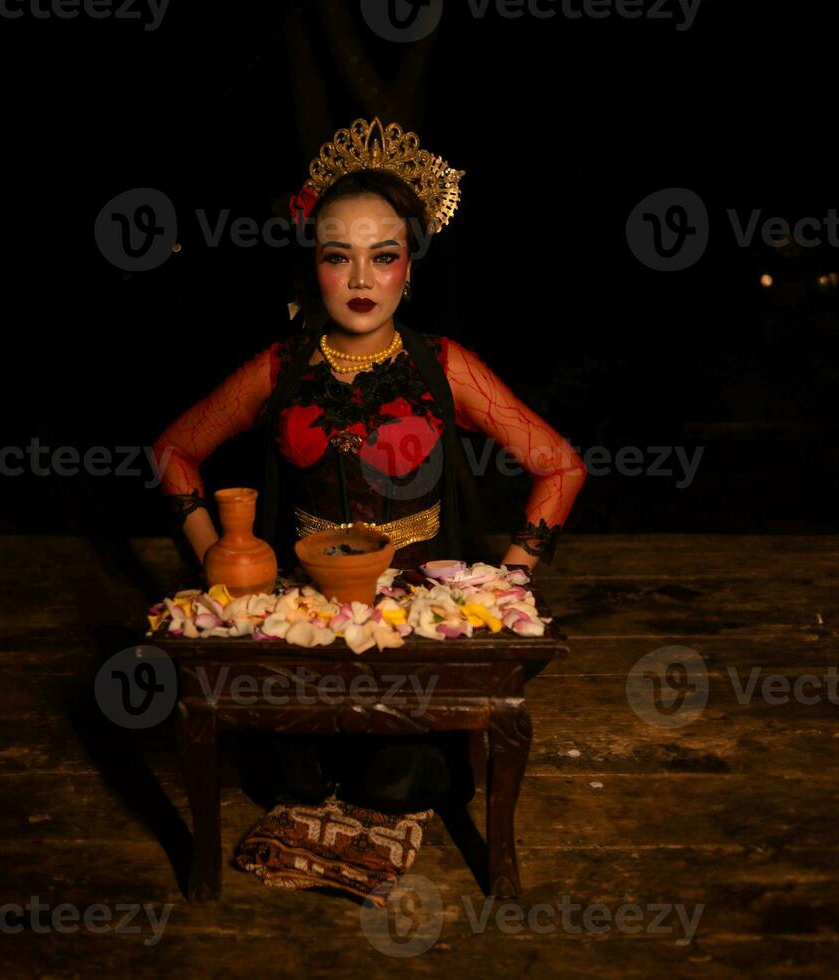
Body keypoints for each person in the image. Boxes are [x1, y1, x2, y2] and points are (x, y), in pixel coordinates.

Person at [150, 118, 586, 813]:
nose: (360, 278)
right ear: (312, 264)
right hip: (303, 616)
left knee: (398, 786)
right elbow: (172, 451)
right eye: (337, 256)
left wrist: (511, 581)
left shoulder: (445, 366)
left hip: (418, 620)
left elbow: (559, 466)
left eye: (382, 256)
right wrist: (215, 555)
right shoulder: (280, 368)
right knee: (289, 785)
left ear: (409, 265)